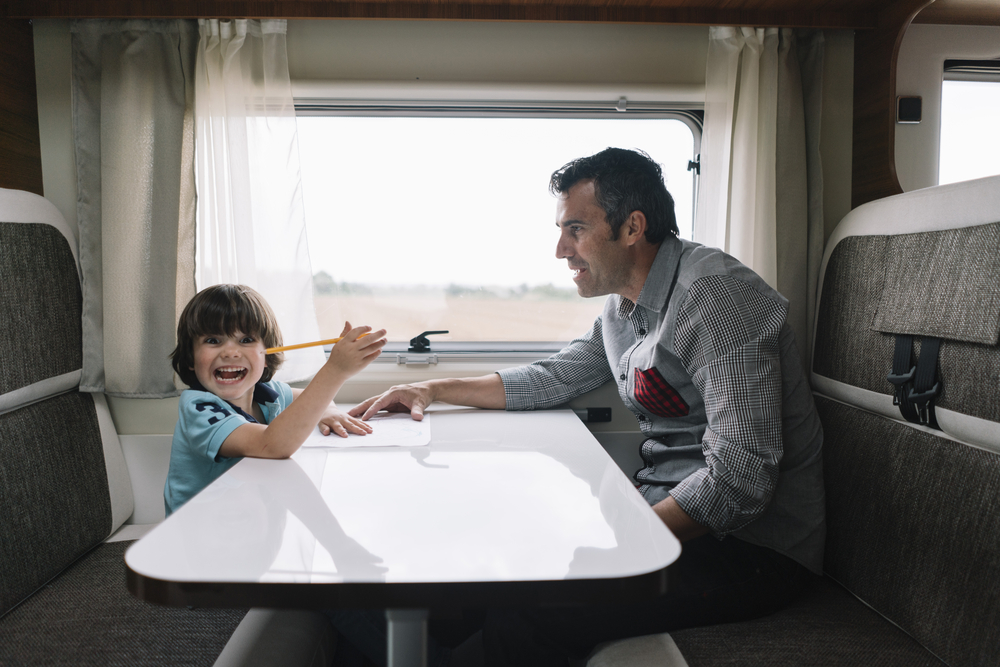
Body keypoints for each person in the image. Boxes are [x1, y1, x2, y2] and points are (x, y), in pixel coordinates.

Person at [349, 148, 826, 665]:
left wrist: (626, 538)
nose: (560, 250)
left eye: (575, 228)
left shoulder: (716, 299)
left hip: (751, 550)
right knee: (495, 560)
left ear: (631, 228)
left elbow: (741, 477)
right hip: (665, 511)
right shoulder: (624, 302)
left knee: (530, 611)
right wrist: (433, 390)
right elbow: (556, 376)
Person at [163, 283, 387, 516]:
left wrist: (328, 411)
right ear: (190, 357)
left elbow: (312, 401)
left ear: (268, 355)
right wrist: (336, 370)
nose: (230, 352)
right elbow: (272, 445)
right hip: (196, 536)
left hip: (247, 523)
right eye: (213, 340)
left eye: (246, 340)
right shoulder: (200, 409)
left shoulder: (270, 393)